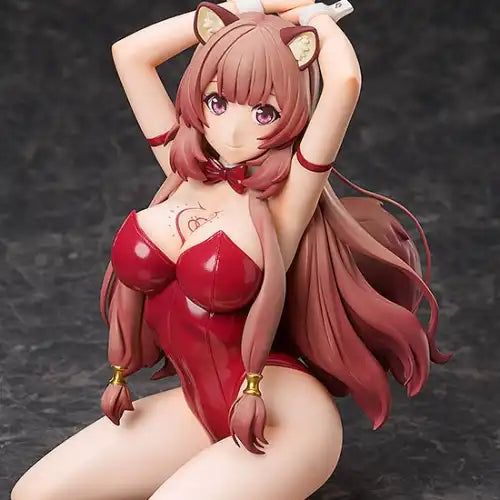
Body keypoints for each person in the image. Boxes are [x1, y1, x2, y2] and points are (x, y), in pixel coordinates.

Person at [11, 1, 451, 499]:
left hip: (284, 420)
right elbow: (130, 54)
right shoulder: (183, 172)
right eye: (218, 102)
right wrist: (248, 8)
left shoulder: (288, 201)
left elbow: (345, 81)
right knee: (36, 493)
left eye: (264, 113)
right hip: (198, 408)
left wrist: (315, 19)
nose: (235, 131)